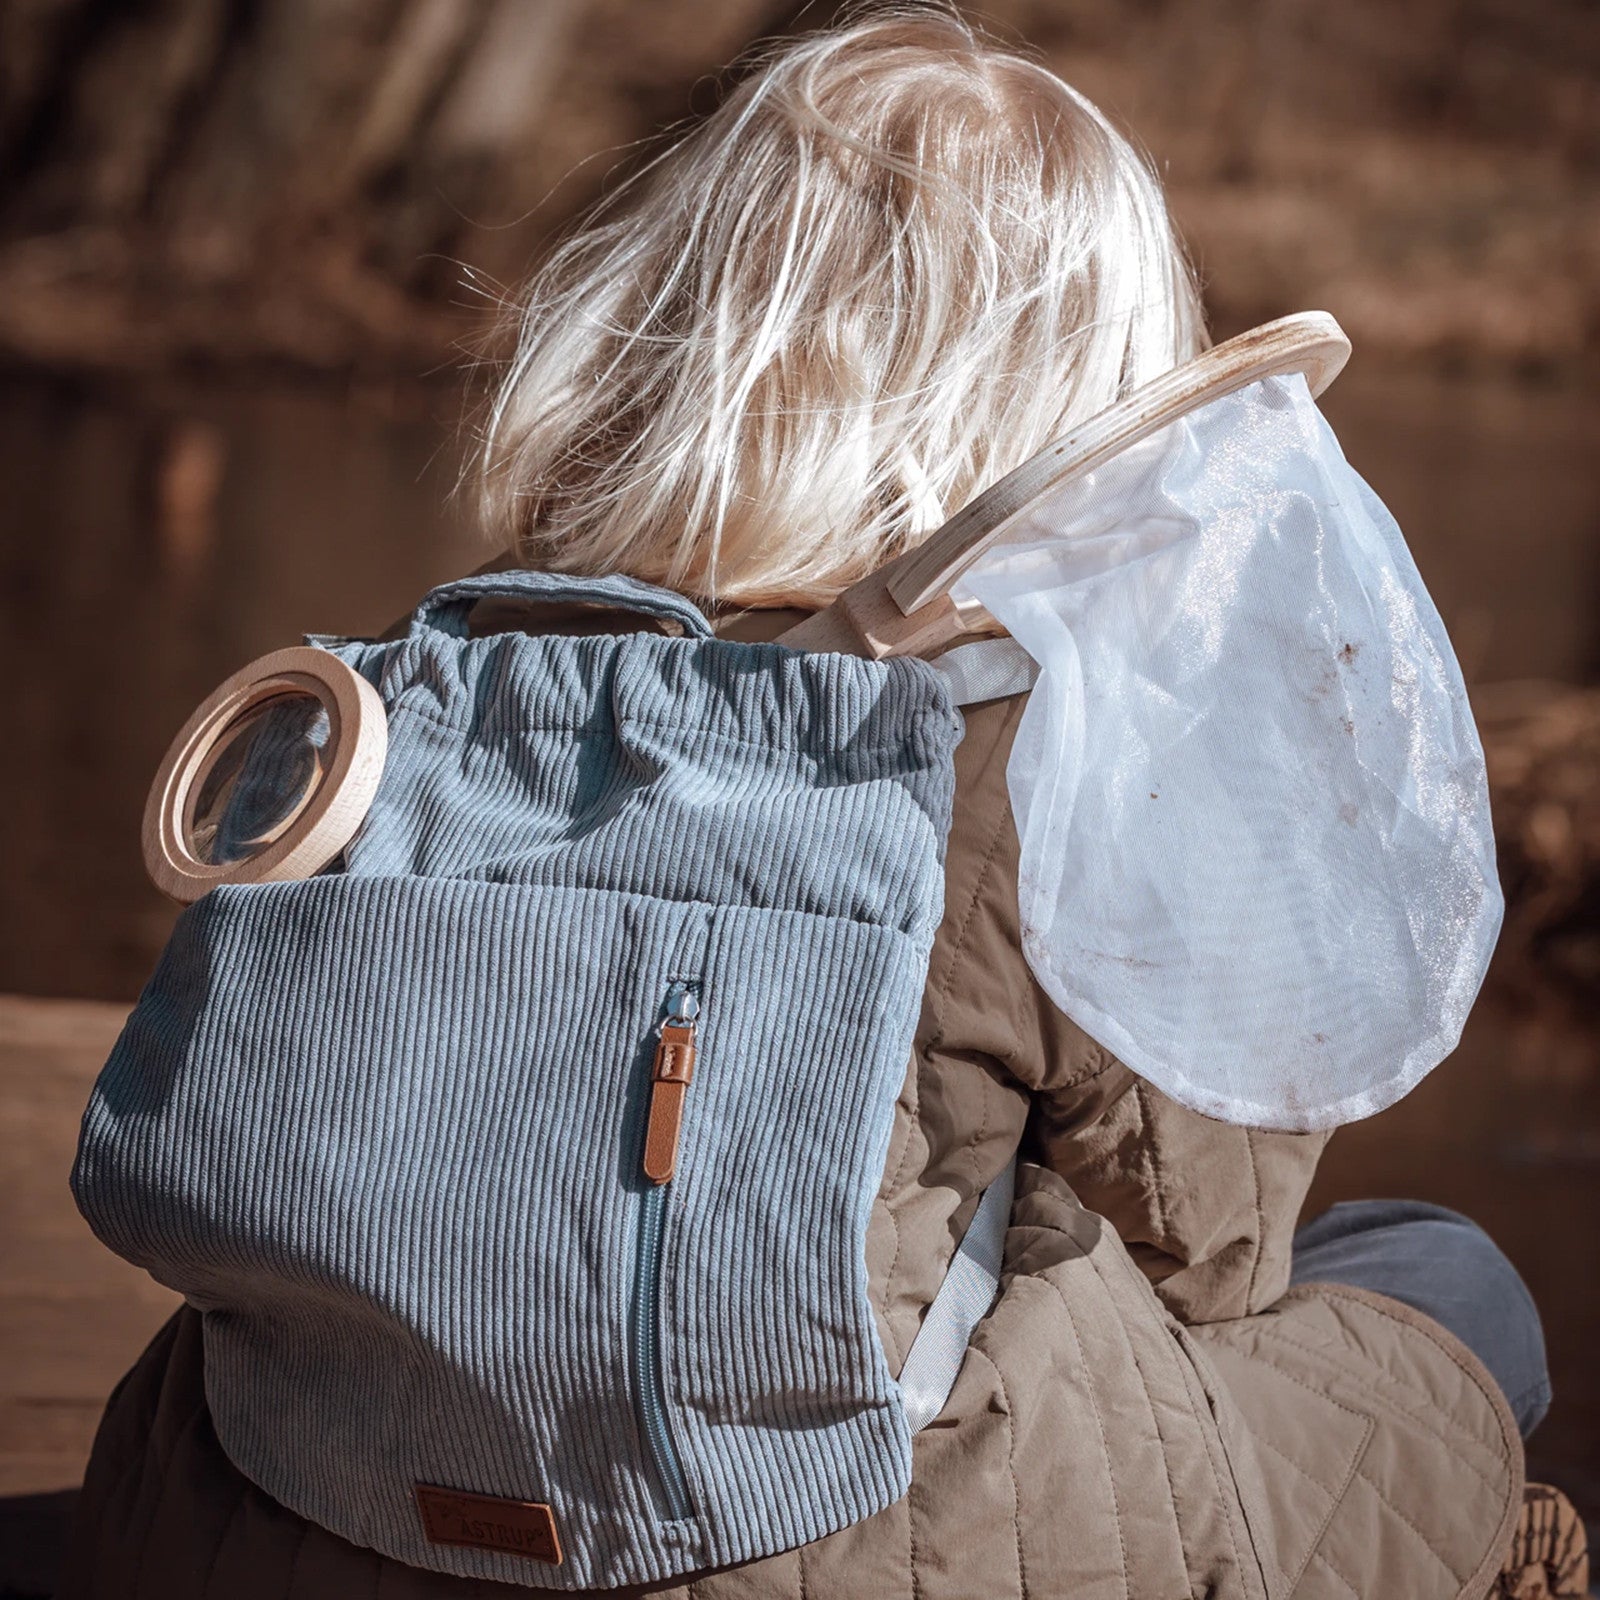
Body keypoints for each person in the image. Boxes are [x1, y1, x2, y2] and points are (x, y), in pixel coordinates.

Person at [63, 11, 1553, 1598]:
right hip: (825, 1539)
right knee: (1449, 1285)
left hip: (272, 1511)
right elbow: (1212, 1251)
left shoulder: (427, 689)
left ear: (667, 315)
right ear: (1096, 390)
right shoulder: (1016, 751)